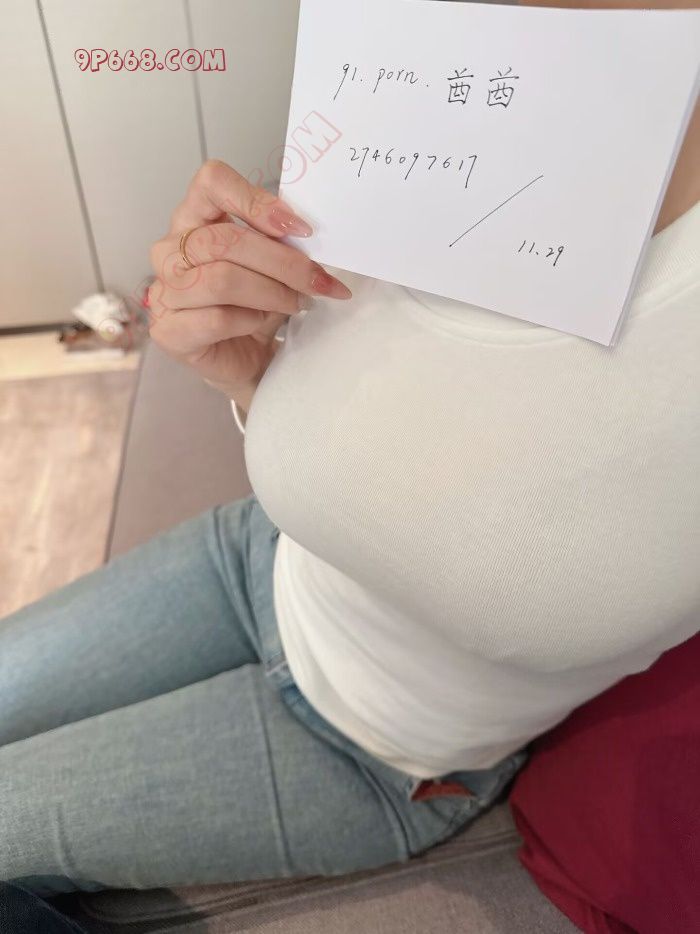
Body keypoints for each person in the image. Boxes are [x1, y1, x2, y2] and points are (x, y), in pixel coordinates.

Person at [1, 0, 698, 904]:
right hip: (258, 557)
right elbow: (368, 394)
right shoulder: (436, 53)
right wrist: (247, 367)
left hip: (375, 752)